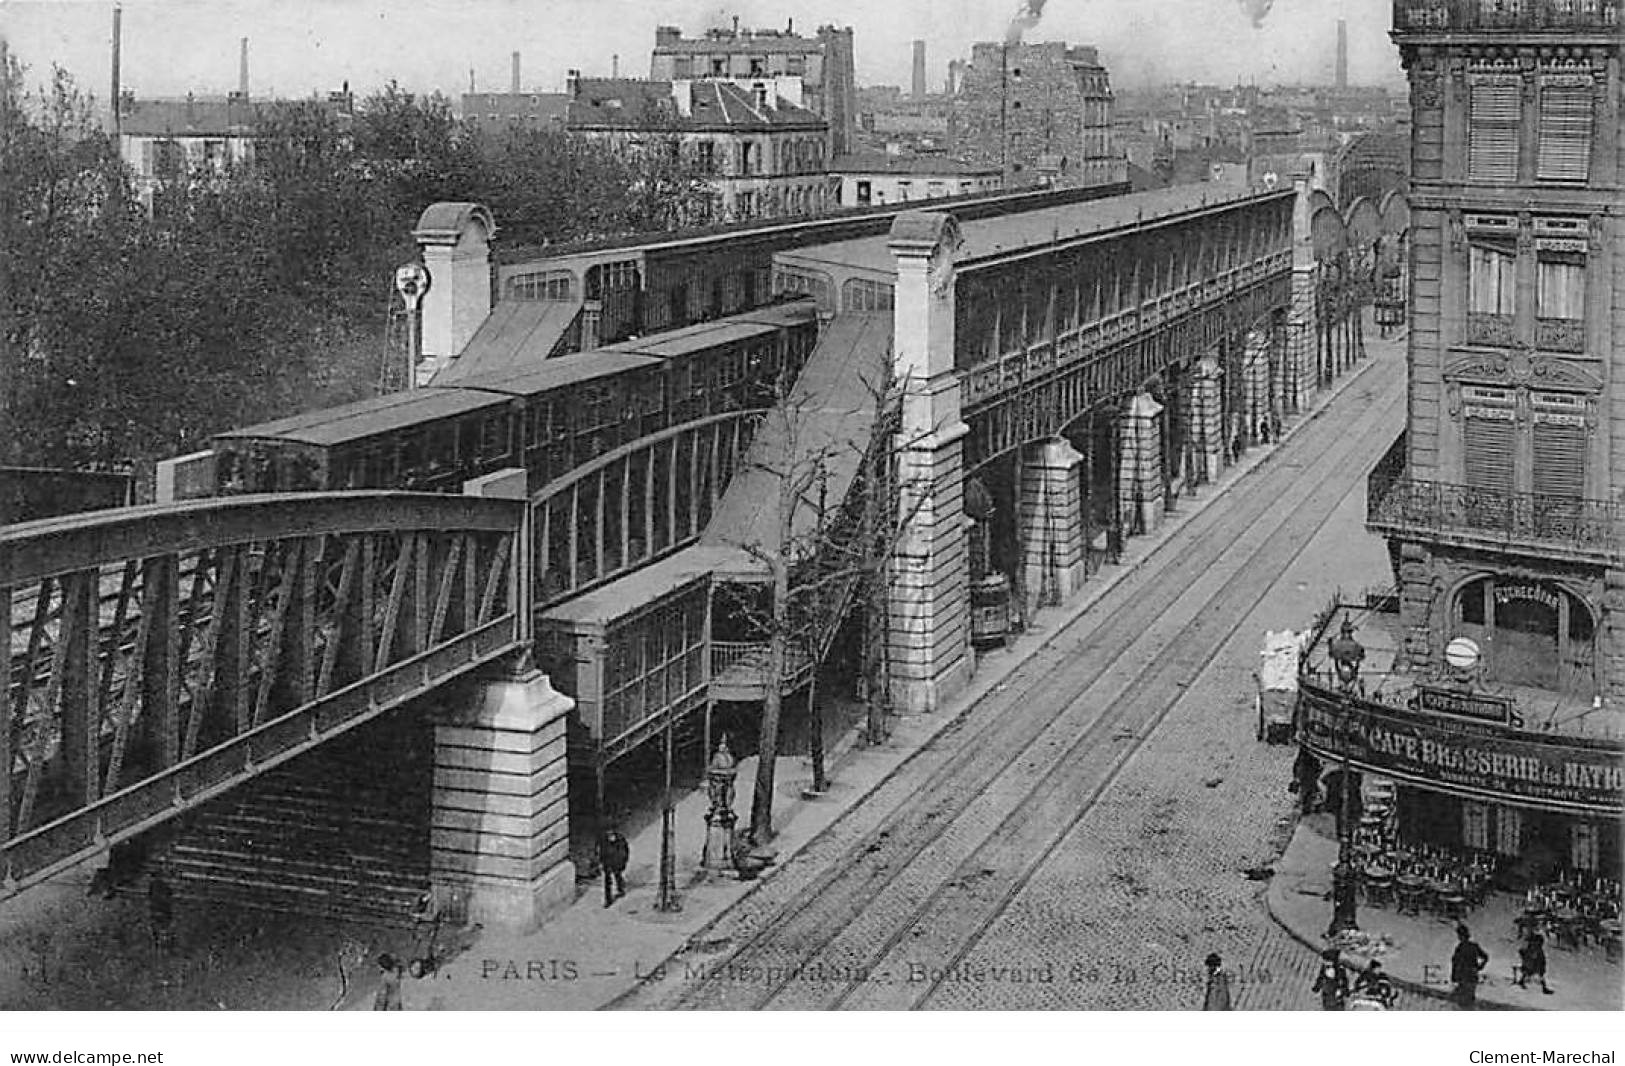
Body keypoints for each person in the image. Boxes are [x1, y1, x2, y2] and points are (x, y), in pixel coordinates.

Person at [1450, 924, 1489, 1010]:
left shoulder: (1460, 948)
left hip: (1464, 976)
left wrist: (1453, 976)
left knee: (1462, 999)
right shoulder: (1473, 946)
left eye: (1460, 935)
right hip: (1472, 976)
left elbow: (1455, 963)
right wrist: (1479, 967)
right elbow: (1485, 957)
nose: (1459, 937)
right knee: (1468, 998)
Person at [599, 826, 630, 908]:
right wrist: (601, 862)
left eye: (611, 835)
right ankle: (608, 900)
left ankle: (620, 889)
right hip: (607, 863)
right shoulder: (604, 841)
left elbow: (625, 852)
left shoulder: (620, 840)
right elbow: (600, 852)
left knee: (618, 876)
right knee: (607, 882)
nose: (610, 837)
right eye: (608, 835)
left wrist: (623, 862)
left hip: (617, 863)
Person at [147, 875, 175, 952]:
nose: (164, 936)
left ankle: (157, 883)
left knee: (157, 897)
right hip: (163, 909)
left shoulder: (155, 930)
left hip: (158, 908)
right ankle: (160, 883)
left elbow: (152, 921)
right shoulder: (167, 928)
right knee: (162, 898)